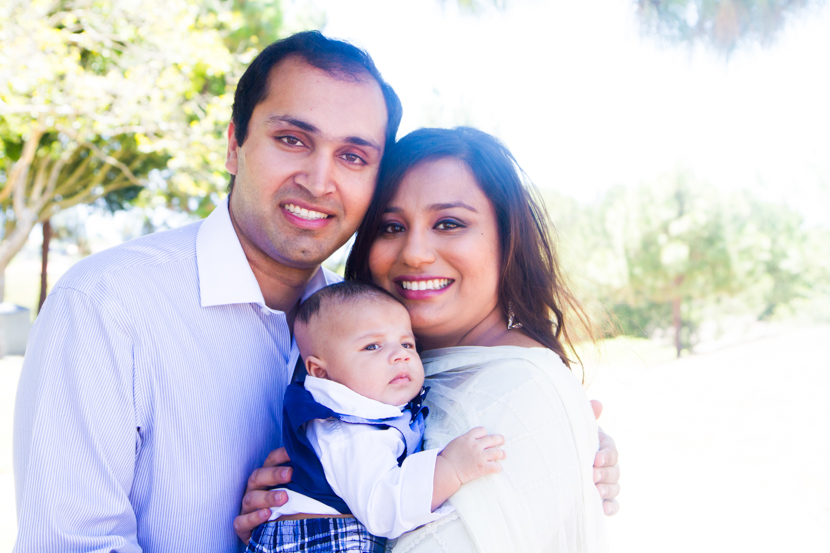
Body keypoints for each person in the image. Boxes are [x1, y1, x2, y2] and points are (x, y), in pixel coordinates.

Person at [13, 31, 618, 553]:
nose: (320, 179)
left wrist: (566, 447)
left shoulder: (375, 329)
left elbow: (478, 428)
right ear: (233, 143)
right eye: (293, 140)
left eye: (354, 156)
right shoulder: (111, 305)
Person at [343, 126, 608, 551]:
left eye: (449, 223)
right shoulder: (375, 377)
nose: (414, 252)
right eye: (390, 227)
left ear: (508, 239)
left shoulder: (524, 391)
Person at [245, 281, 505, 553]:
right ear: (320, 372)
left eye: (407, 343)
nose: (400, 356)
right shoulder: (347, 431)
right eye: (372, 347)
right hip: (319, 541)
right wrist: (450, 468)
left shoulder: (369, 413)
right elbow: (384, 511)